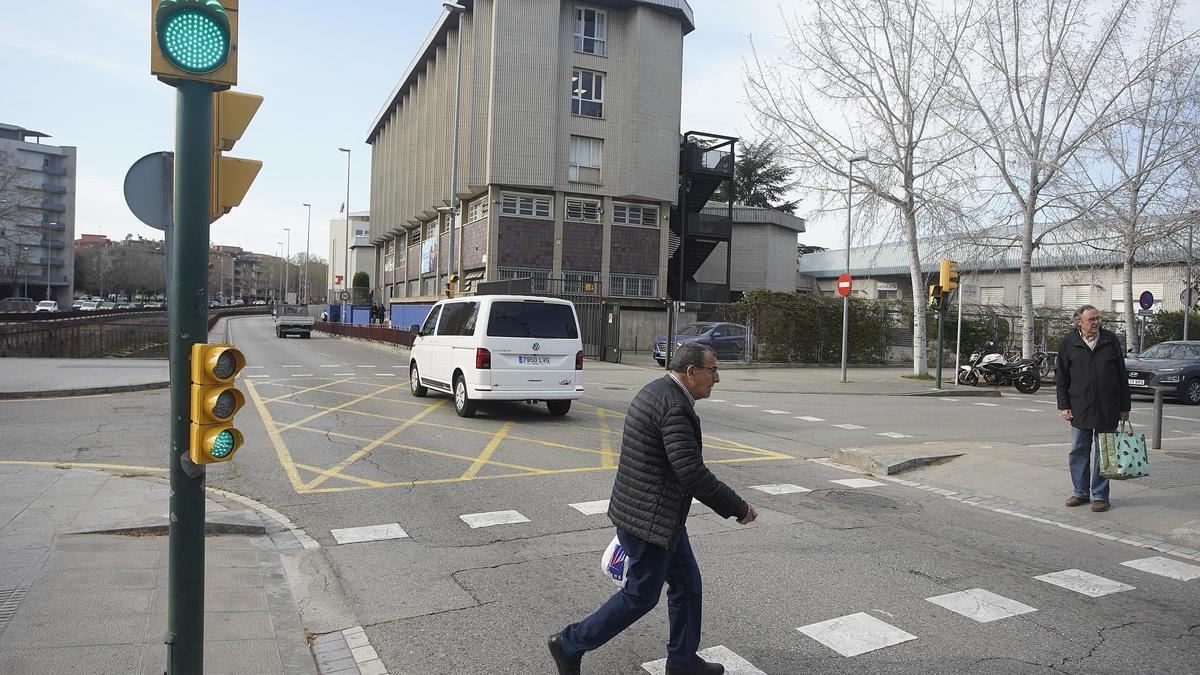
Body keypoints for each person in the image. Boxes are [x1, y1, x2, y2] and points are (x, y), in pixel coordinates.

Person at [548, 342, 756, 675]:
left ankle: (683, 662)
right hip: (651, 520)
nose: (716, 378)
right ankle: (570, 643)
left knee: (687, 586)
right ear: (691, 372)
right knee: (640, 596)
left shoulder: (657, 390)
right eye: (713, 370)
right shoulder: (674, 406)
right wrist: (737, 506)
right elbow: (691, 472)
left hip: (655, 514)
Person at [1055, 304, 1130, 512]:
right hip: (1080, 407)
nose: (1096, 322)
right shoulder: (1069, 342)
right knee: (1078, 451)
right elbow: (1061, 377)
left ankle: (1101, 496)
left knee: (1104, 453)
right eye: (1092, 319)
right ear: (1079, 322)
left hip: (1108, 407)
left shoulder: (1110, 340)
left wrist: (1125, 406)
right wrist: (1064, 405)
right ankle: (1080, 493)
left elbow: (1122, 375)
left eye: (1098, 318)